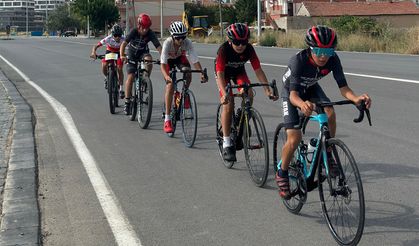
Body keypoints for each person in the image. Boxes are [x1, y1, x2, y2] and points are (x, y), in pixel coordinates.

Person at [276, 25, 372, 199]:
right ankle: (282, 173)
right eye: (318, 51)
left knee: (330, 112)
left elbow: (343, 88)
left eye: (328, 52)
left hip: (311, 88)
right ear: (310, 48)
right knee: (294, 138)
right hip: (292, 93)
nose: (323, 56)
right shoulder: (298, 61)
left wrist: (356, 98)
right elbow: (293, 95)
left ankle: (326, 149)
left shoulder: (333, 59)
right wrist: (302, 105)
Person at [215, 23, 278, 162]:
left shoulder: (249, 50)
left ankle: (241, 120)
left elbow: (258, 70)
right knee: (229, 103)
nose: (240, 46)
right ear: (229, 40)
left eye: (244, 42)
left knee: (248, 93)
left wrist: (267, 89)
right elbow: (219, 73)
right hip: (223, 74)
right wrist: (224, 93)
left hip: (238, 72)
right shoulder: (223, 50)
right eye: (237, 42)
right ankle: (226, 143)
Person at [160, 21, 207, 133]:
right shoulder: (167, 43)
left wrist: (201, 72)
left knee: (188, 71)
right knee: (170, 85)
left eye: (183, 37)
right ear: (172, 36)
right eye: (178, 38)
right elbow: (163, 64)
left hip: (180, 59)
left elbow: (194, 59)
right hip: (168, 62)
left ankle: (184, 93)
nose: (181, 40)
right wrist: (166, 76)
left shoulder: (187, 42)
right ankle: (167, 120)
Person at [120, 13, 162, 115]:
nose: (145, 30)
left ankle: (145, 80)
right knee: (131, 76)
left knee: (149, 60)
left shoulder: (150, 33)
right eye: (143, 27)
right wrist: (122, 55)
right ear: (139, 25)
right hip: (132, 53)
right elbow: (124, 43)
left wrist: (163, 58)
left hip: (143, 53)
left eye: (147, 28)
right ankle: (127, 101)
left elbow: (158, 47)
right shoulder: (133, 31)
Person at [90, 24, 125, 98]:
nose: (118, 37)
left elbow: (131, 46)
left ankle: (121, 89)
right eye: (115, 35)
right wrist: (93, 52)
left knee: (119, 68)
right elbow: (96, 46)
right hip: (110, 51)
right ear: (112, 35)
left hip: (119, 52)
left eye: (119, 35)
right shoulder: (108, 38)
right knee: (104, 65)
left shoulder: (124, 39)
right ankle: (107, 78)